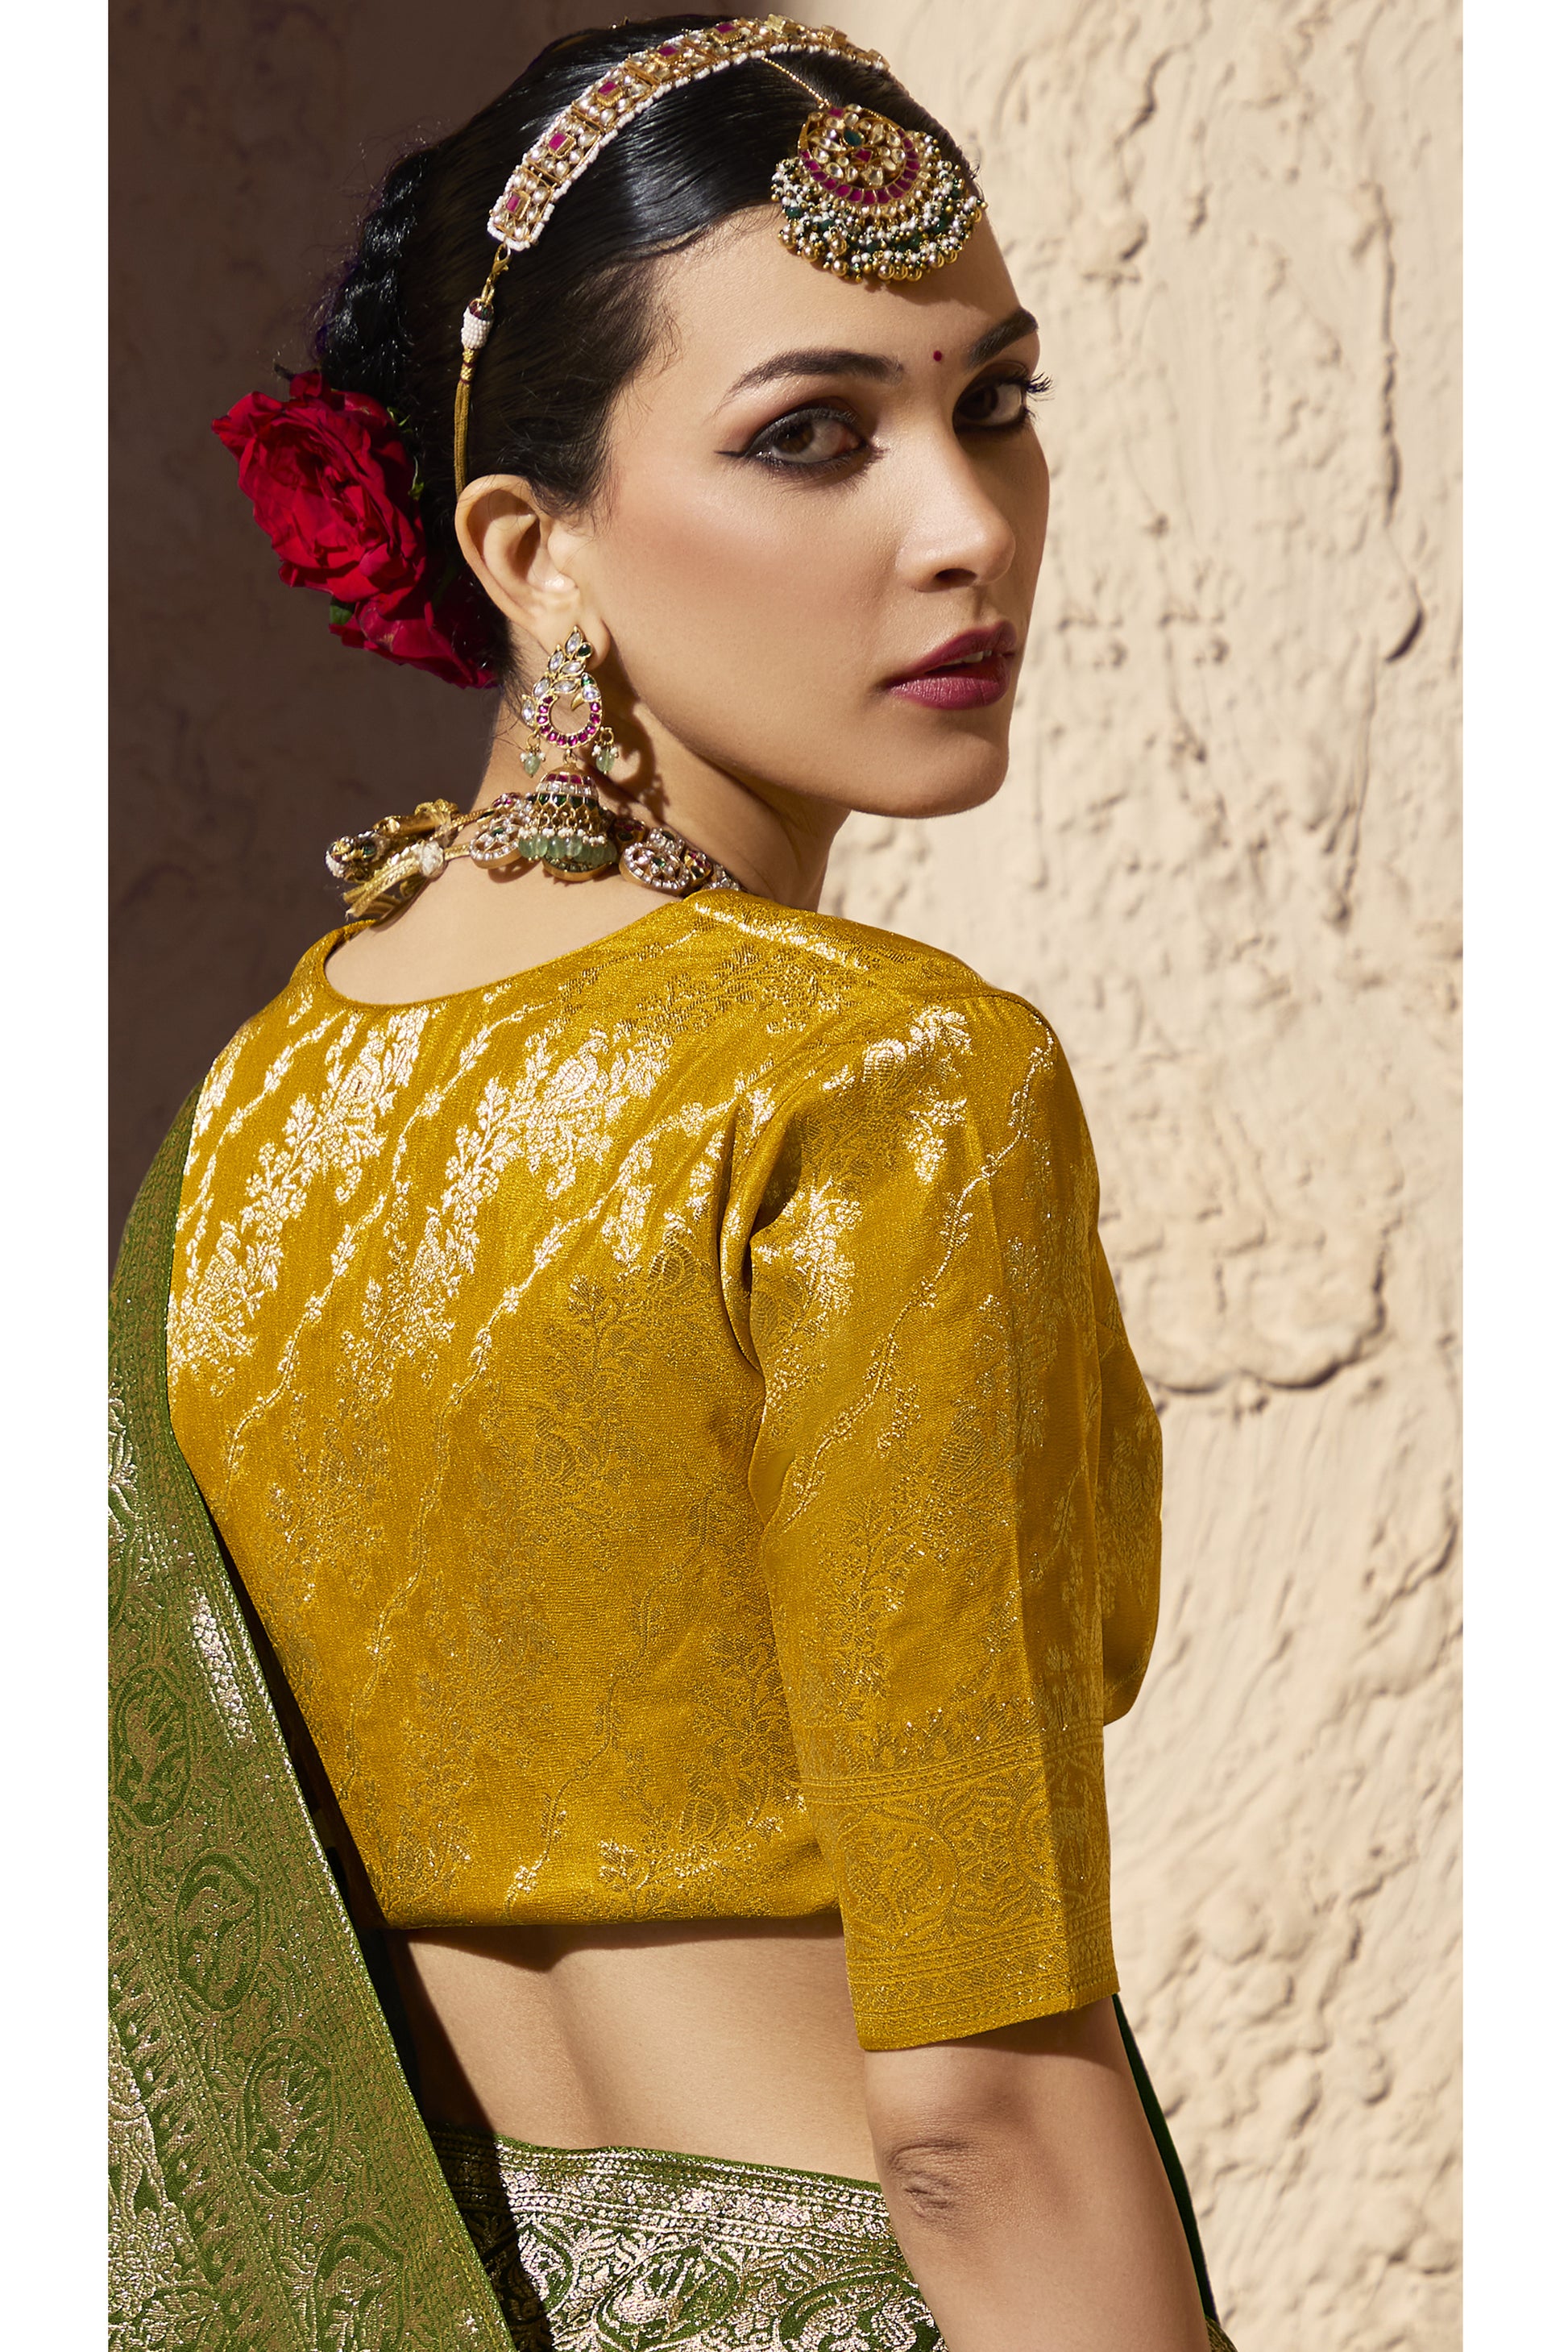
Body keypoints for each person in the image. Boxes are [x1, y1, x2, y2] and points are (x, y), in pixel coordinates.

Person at [109, 15, 1238, 2349]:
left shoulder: (251, 1113)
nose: (961, 524)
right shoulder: (892, 1088)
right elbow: (975, 2125)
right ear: (533, 551)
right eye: (809, 437)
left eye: (992, 404)